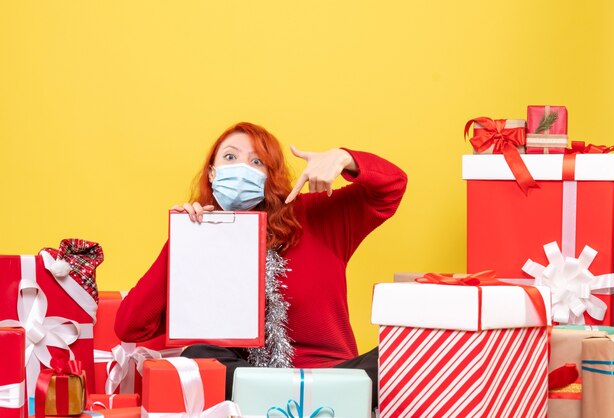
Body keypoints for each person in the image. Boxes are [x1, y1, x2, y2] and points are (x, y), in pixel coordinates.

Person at [114, 122, 407, 406]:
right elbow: (130, 326)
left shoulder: (317, 215)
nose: (242, 168)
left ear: (270, 176)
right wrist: (182, 239)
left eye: (257, 161)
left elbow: (391, 187)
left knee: (403, 353)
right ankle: (284, 402)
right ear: (213, 173)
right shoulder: (202, 237)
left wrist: (344, 158)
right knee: (197, 356)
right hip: (247, 380)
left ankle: (296, 401)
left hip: (332, 376)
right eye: (230, 157)